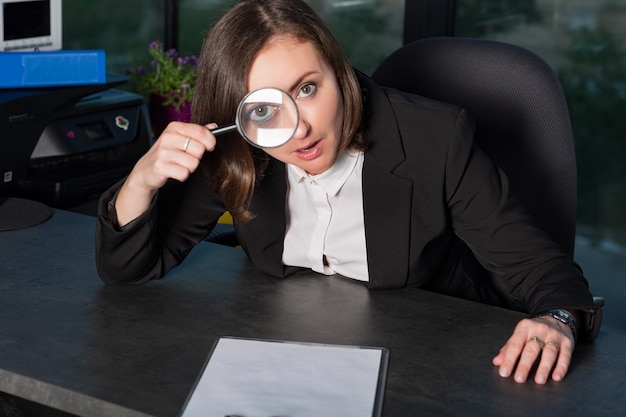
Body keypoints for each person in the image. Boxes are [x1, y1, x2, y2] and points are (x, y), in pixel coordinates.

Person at [96, 0, 601, 385]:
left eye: (308, 88)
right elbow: (127, 269)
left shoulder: (436, 139)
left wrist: (557, 319)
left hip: (435, 362)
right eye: (265, 109)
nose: (297, 129)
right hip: (294, 361)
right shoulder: (243, 150)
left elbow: (543, 270)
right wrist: (142, 178)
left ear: (338, 71)